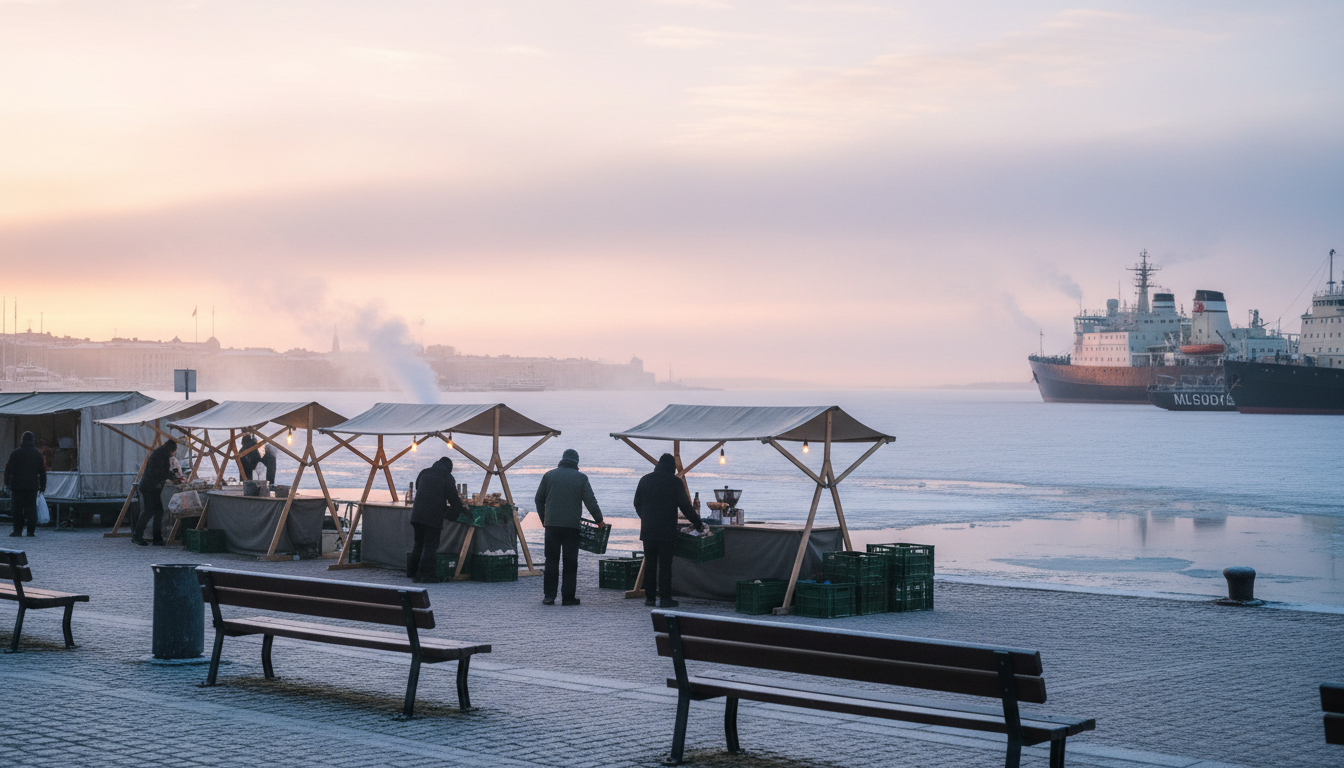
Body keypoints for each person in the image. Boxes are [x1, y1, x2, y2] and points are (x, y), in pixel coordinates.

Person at [634, 453, 705, 608]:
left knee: (650, 564)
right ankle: (665, 598)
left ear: (658, 464)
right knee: (665, 566)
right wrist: (697, 523)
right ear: (672, 467)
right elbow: (685, 506)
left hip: (648, 530)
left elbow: (637, 503)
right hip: (666, 531)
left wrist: (645, 518)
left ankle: (650, 598)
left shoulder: (645, 480)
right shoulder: (675, 482)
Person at [534, 449, 603, 606]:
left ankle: (549, 596)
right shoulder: (581, 478)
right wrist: (599, 520)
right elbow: (590, 501)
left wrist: (544, 519)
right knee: (570, 562)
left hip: (551, 526)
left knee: (551, 560)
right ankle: (568, 597)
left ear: (562, 459)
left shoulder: (549, 475)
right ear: (576, 462)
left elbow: (538, 499)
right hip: (572, 527)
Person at [407, 457, 467, 582]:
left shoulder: (424, 472)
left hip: (417, 514)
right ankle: (426, 576)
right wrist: (460, 510)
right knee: (430, 545)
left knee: (419, 544)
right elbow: (453, 499)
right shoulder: (447, 477)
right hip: (432, 515)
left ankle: (412, 572)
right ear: (449, 468)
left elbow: (419, 488)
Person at [134, 439, 183, 546]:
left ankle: (156, 538)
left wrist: (171, 475)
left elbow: (161, 470)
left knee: (157, 511)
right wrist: (171, 476)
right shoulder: (162, 456)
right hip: (150, 487)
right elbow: (158, 472)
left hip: (149, 486)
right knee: (149, 511)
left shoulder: (160, 453)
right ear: (172, 450)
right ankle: (138, 536)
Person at [5, 431, 46, 538]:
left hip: (17, 485)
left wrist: (6, 483)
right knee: (32, 508)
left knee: (17, 509)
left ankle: (17, 531)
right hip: (32, 486)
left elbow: (8, 469)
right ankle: (30, 531)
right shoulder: (37, 454)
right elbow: (42, 471)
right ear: (32, 440)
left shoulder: (16, 453)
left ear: (22, 440)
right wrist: (43, 485)